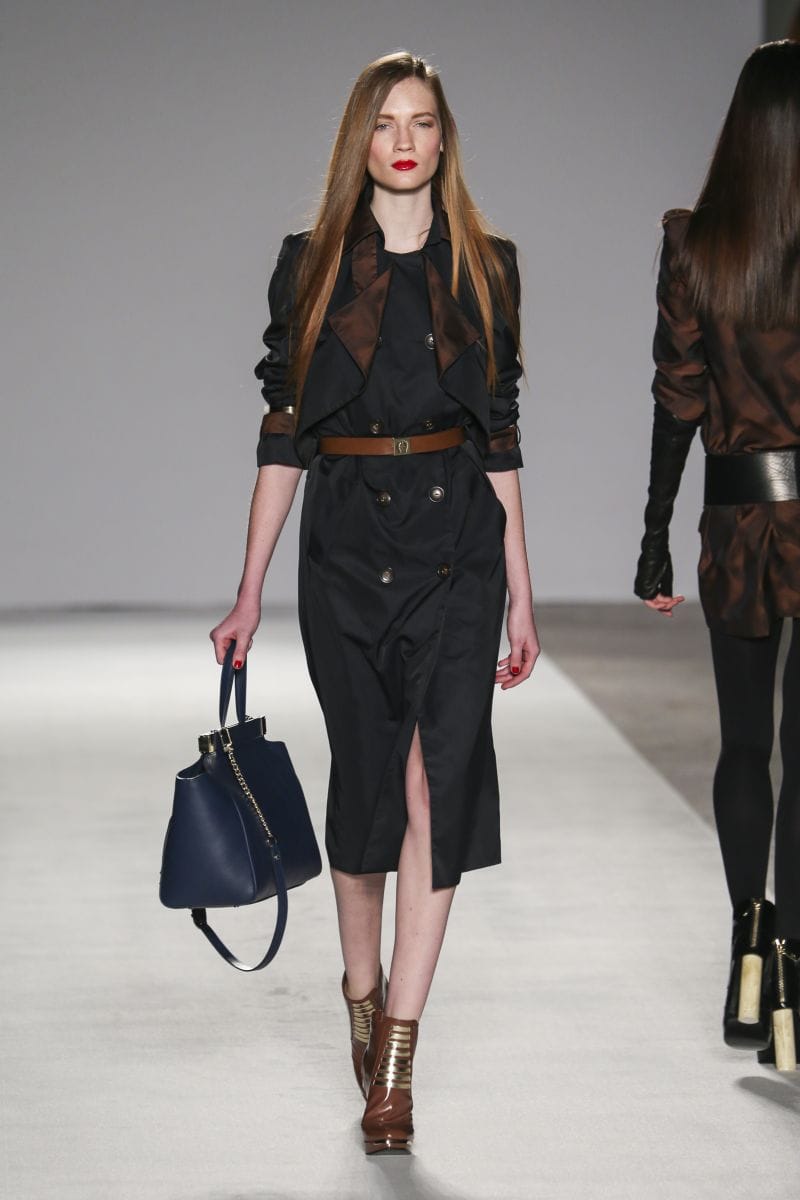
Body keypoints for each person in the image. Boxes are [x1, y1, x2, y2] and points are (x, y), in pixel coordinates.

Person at [210, 51, 539, 1152]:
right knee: (364, 793)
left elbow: (499, 434)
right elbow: (282, 433)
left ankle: (396, 1056)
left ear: (445, 140)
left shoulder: (486, 266)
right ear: (361, 139)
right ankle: (360, 992)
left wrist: (522, 593)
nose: (404, 140)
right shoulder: (309, 267)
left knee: (434, 786)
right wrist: (248, 590)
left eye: (423, 122)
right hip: (346, 547)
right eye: (386, 122)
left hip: (458, 550)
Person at [634, 40, 800, 1073]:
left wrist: (653, 535)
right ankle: (794, 971)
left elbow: (677, 398)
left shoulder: (695, 246)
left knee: (745, 747)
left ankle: (748, 942)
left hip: (737, 526)